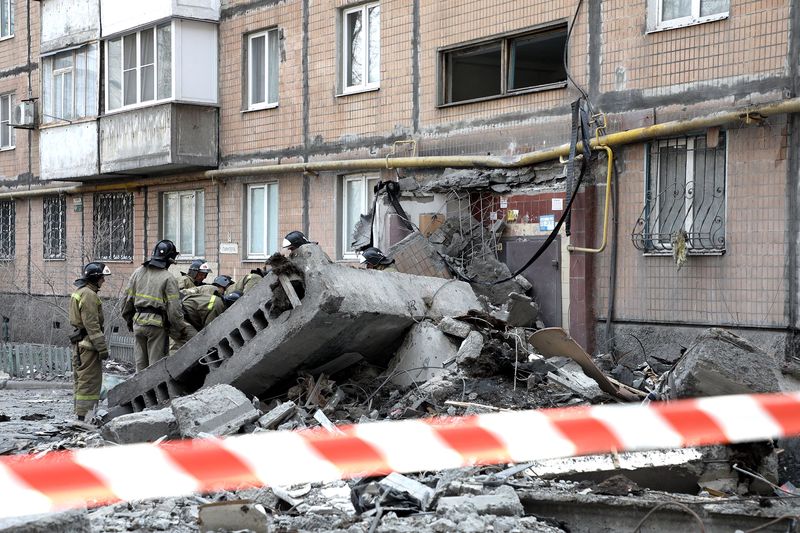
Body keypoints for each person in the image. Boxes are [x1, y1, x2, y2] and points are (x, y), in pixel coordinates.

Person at [121, 239, 190, 372]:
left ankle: (140, 386)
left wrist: (129, 320)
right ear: (169, 260)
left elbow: (126, 300)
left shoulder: (138, 272)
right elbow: (174, 310)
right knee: (156, 369)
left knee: (141, 367)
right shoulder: (168, 278)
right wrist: (180, 329)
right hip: (156, 327)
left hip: (138, 324)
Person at [68, 262, 111, 421]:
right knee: (90, 382)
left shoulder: (80, 292)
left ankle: (81, 415)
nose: (103, 281)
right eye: (102, 278)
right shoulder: (89, 295)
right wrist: (102, 348)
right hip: (89, 345)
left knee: (81, 380)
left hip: (80, 343)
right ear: (95, 278)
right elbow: (92, 325)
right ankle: (85, 417)